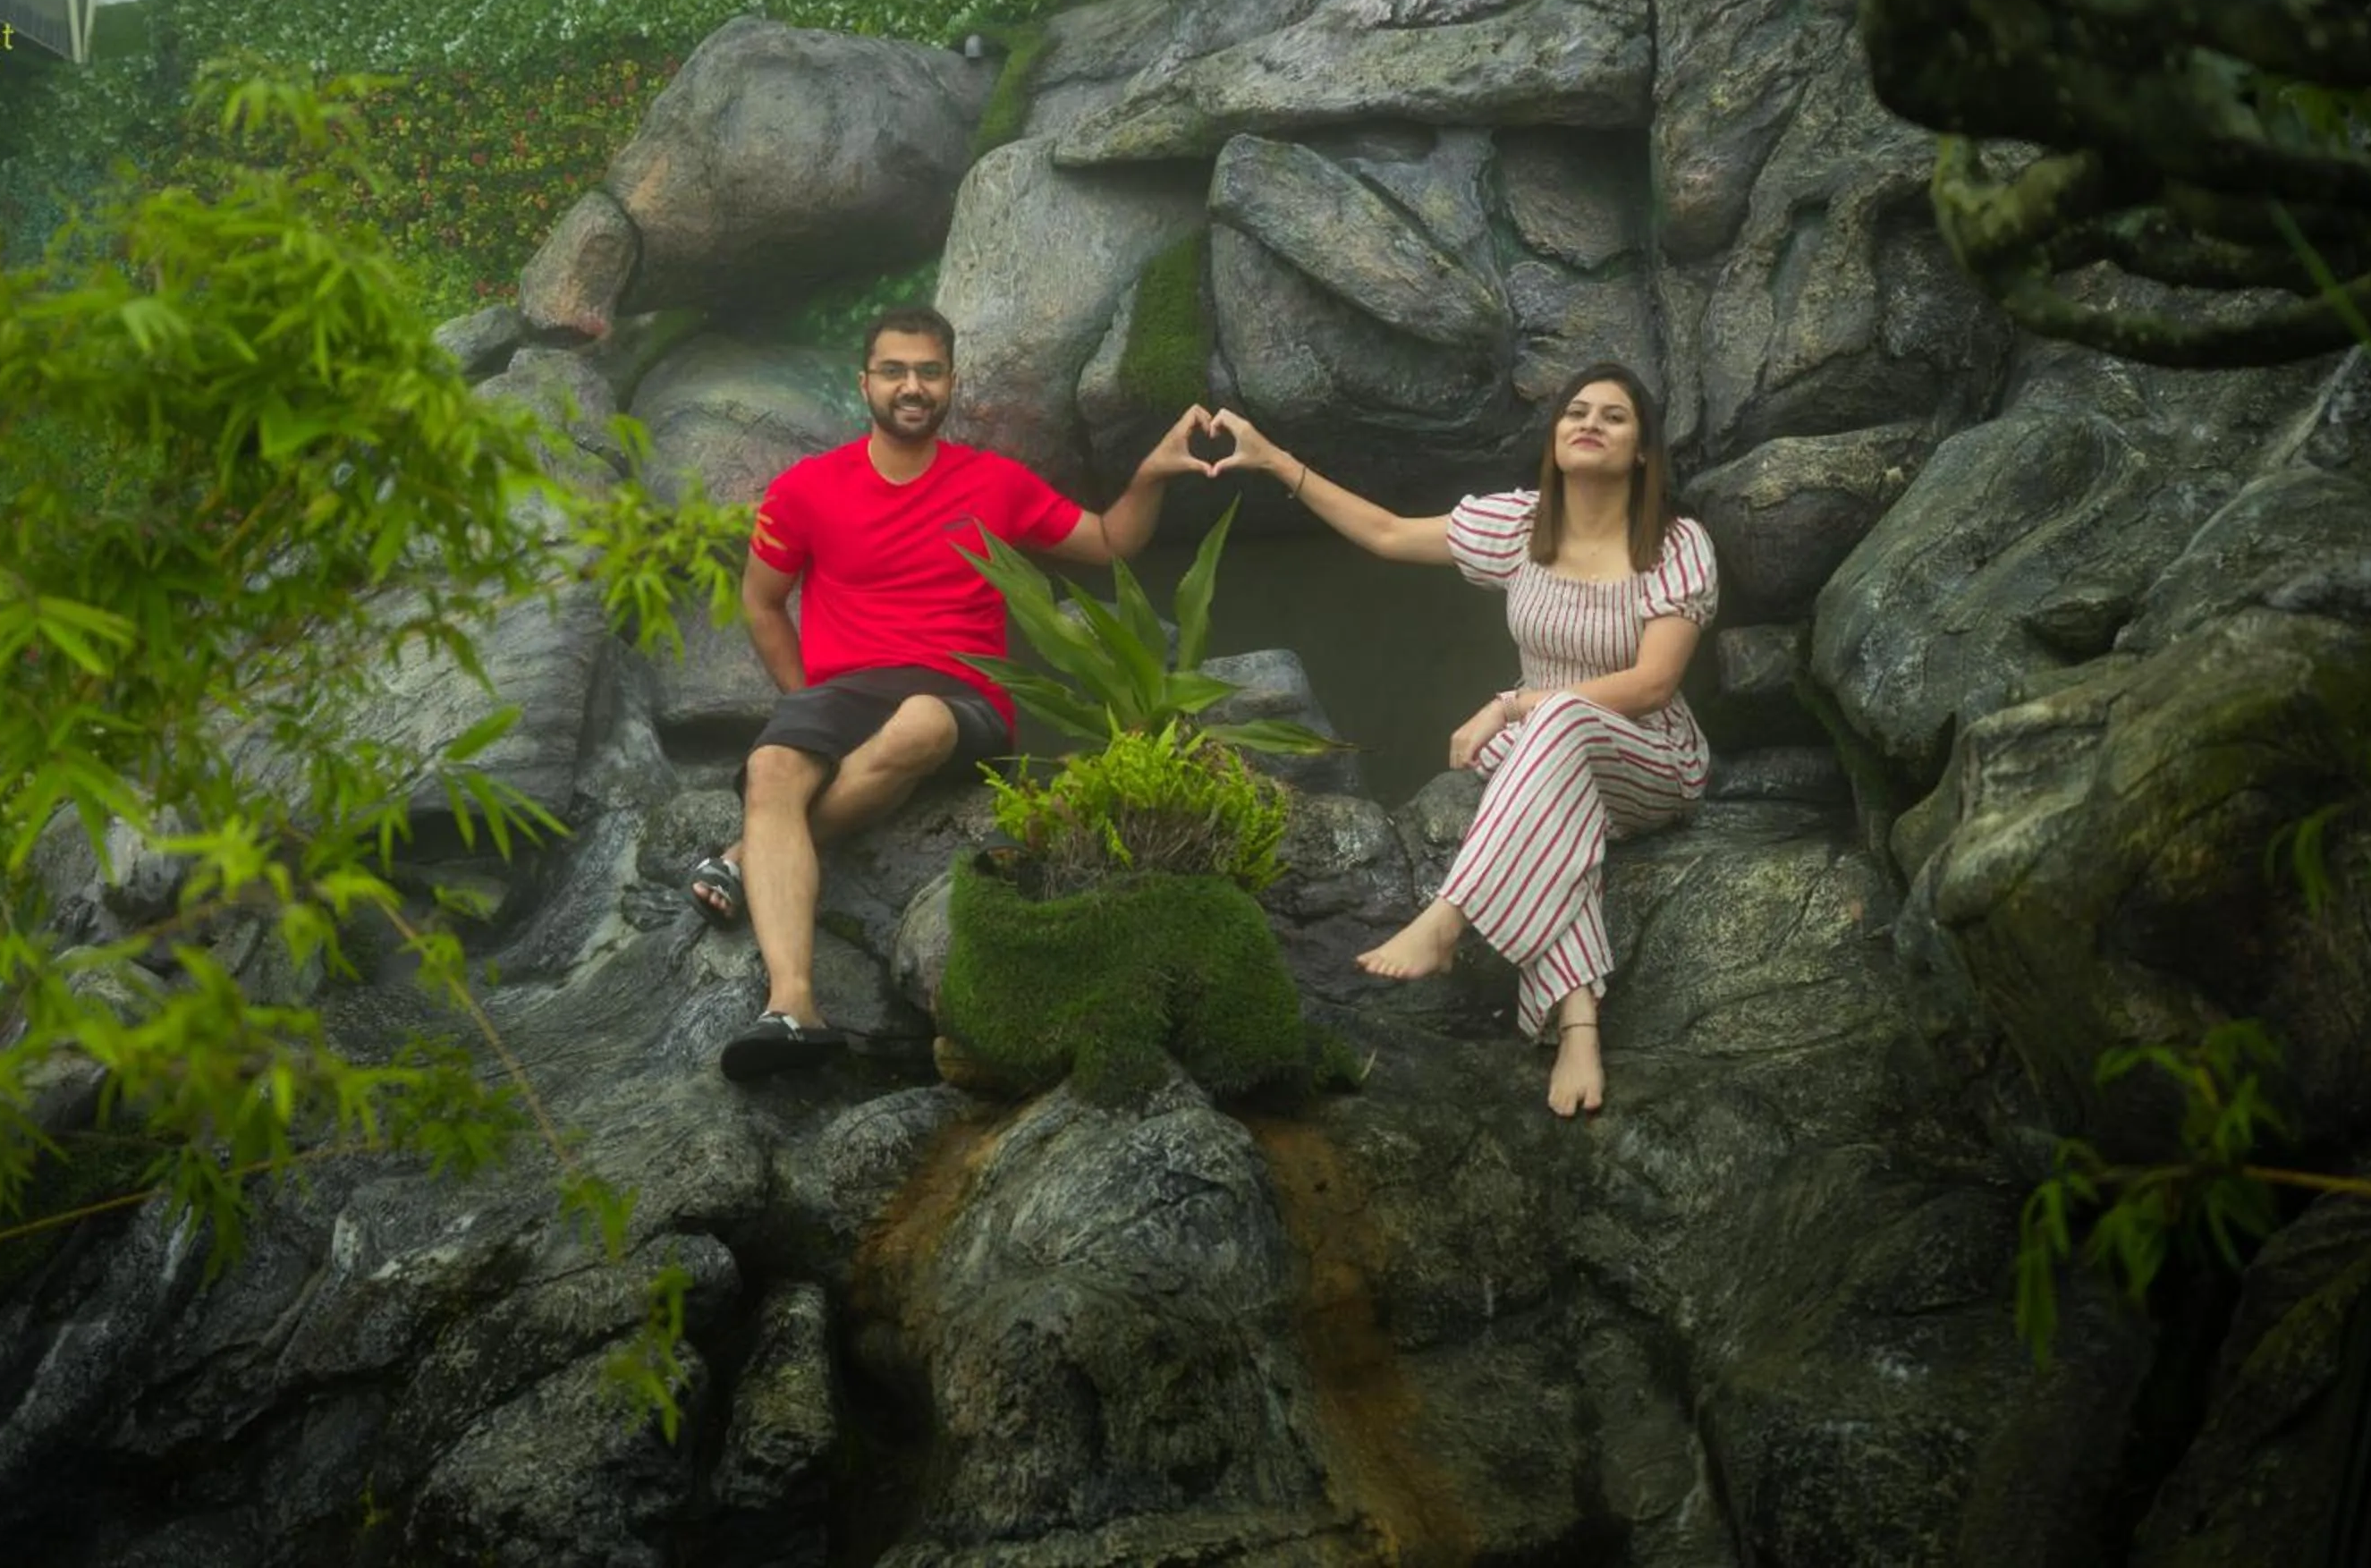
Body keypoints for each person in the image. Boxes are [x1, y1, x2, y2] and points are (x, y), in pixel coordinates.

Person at [697, 303, 1216, 1081]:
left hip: (959, 699)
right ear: (865, 382)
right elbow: (761, 602)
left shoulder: (994, 483)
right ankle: (793, 1005)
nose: (913, 386)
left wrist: (1153, 471)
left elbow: (1112, 543)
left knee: (917, 725)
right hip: (842, 693)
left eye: (929, 371)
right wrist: (802, 701)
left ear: (950, 382)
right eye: (896, 370)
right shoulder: (805, 488)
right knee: (773, 769)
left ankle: (745, 854)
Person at [1204, 363, 1716, 1116]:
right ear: (1554, 437)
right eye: (1576, 411)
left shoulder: (1675, 545)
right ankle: (1578, 1025)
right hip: (1551, 757)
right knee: (1552, 805)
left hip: (1650, 758)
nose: (1589, 424)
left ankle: (1448, 918)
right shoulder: (1519, 525)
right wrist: (1274, 457)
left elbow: (1652, 685)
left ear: (1643, 450)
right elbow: (1383, 533)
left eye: (1613, 417)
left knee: (1550, 723)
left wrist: (1513, 705)